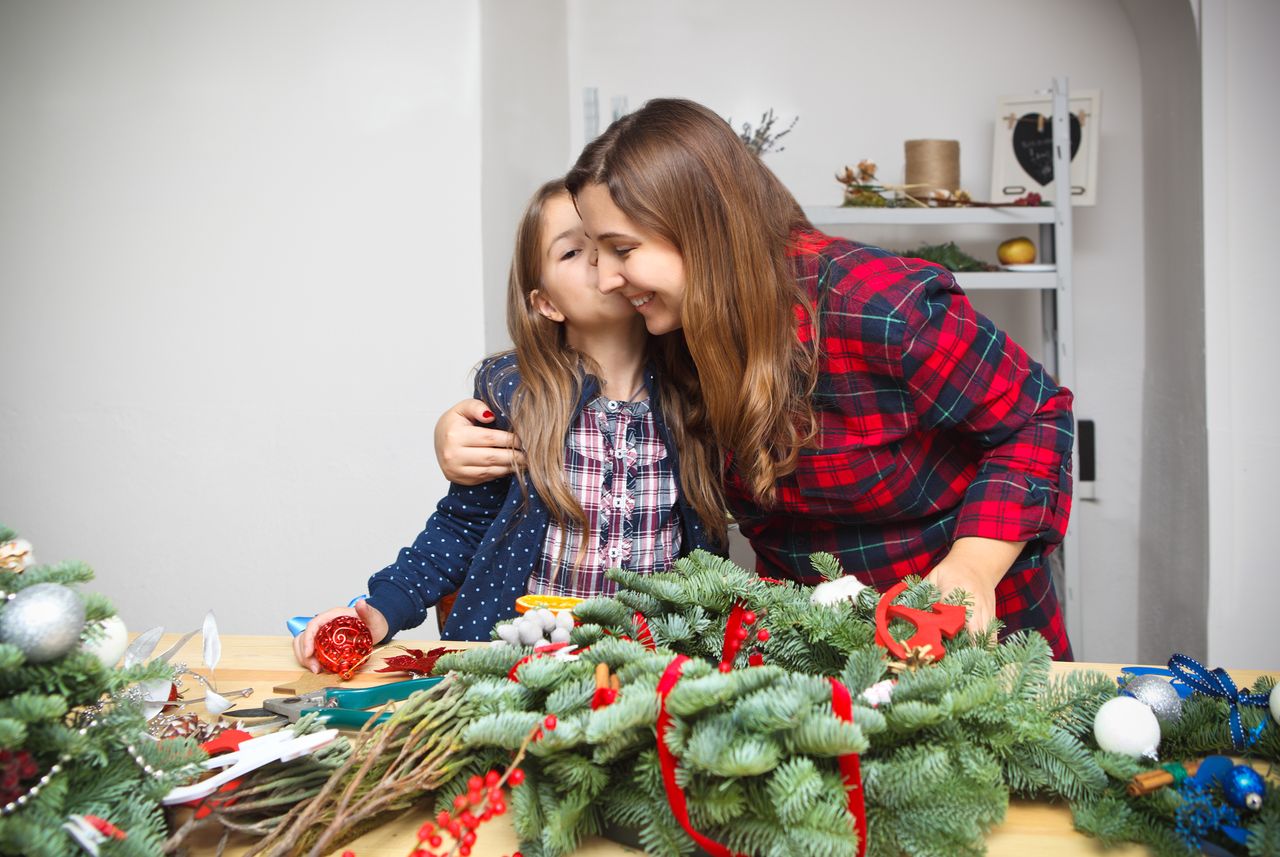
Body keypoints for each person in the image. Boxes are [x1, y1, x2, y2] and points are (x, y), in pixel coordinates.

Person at [436, 99, 1076, 659]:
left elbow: (1036, 419)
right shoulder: (676, 335)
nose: (606, 279)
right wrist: (459, 432)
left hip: (966, 635)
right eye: (595, 256)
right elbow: (569, 380)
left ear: (700, 230)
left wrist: (971, 567)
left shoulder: (879, 306)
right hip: (811, 648)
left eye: (622, 250)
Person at [293, 178, 723, 672]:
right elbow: (460, 527)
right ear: (546, 303)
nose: (600, 261)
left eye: (611, 244)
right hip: (527, 670)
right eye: (572, 252)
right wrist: (376, 613)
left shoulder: (694, 391)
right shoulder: (517, 395)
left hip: (653, 670)